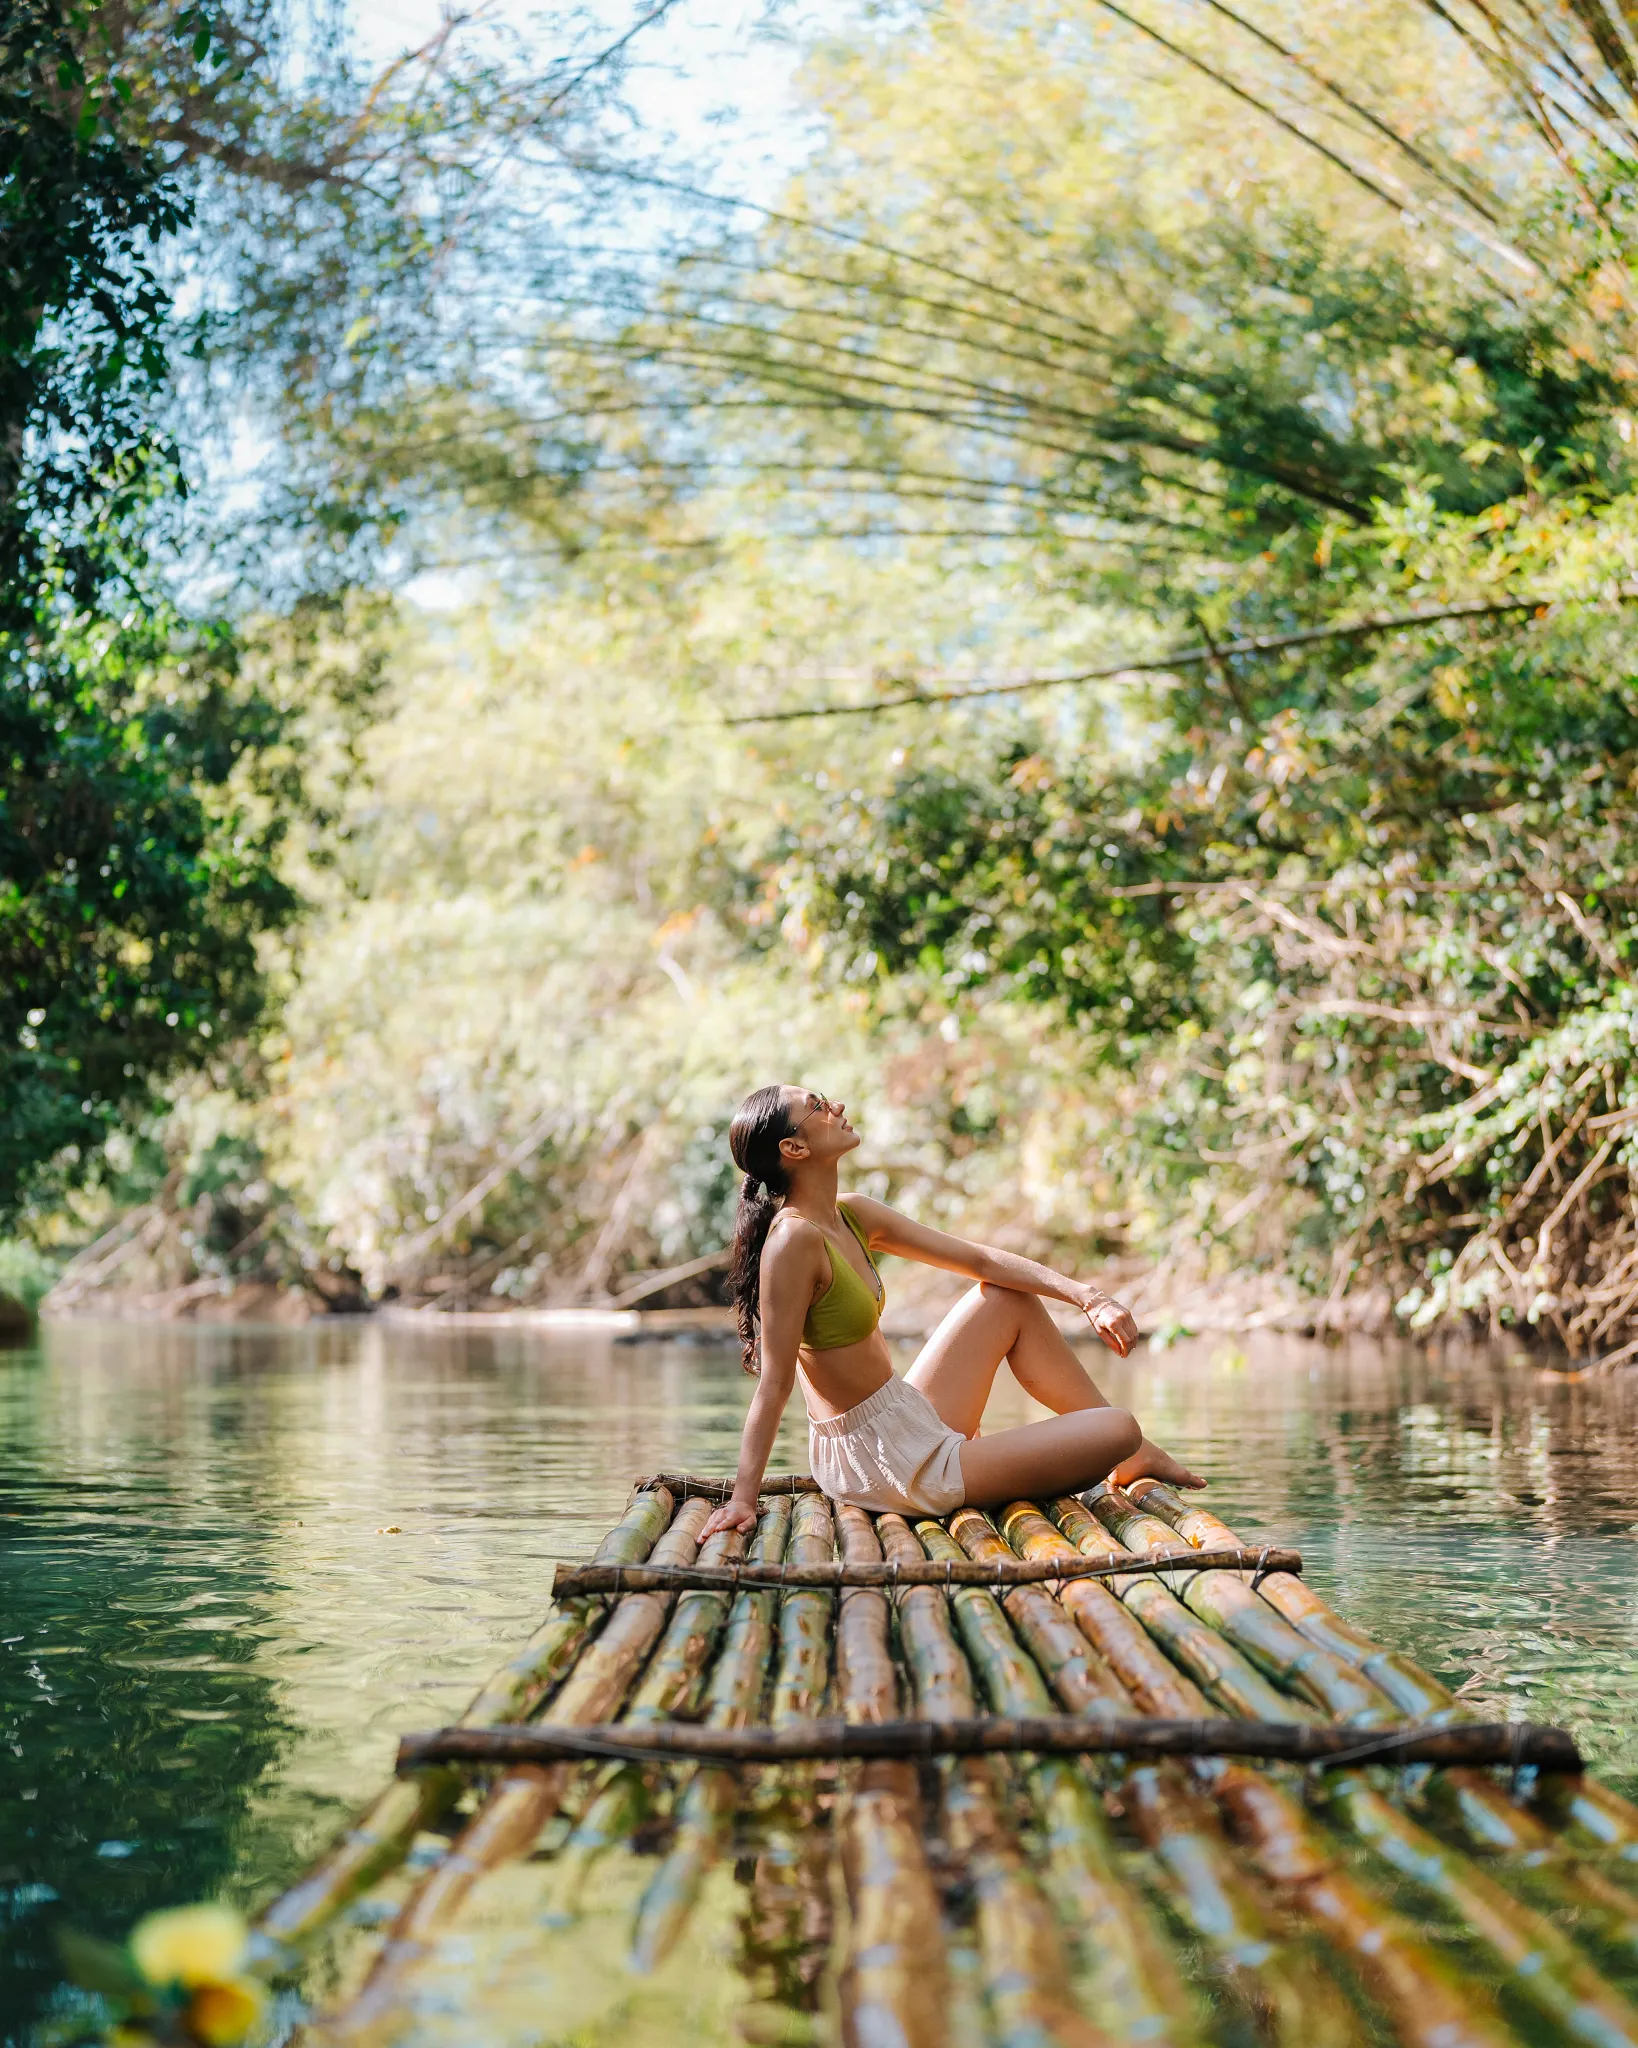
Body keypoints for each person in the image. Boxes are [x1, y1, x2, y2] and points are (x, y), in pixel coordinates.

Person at [700, 1083, 1204, 1540]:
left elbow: (980, 1260)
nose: (837, 1106)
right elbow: (775, 1382)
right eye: (816, 1106)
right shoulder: (792, 1242)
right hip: (884, 1462)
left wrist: (1088, 1296)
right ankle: (1125, 1448)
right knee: (1118, 1428)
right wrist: (744, 1499)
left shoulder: (850, 1214)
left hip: (905, 1413)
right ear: (794, 1148)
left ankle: (1133, 1460)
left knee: (1004, 1295)